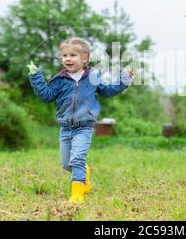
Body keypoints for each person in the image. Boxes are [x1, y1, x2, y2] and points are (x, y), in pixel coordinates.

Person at [28, 37, 134, 204]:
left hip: (84, 127)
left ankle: (77, 194)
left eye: (72, 55)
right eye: (64, 55)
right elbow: (46, 95)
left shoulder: (93, 76)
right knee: (66, 164)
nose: (67, 59)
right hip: (65, 127)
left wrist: (124, 80)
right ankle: (83, 173)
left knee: (77, 158)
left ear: (85, 58)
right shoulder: (60, 80)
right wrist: (36, 77)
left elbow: (108, 91)